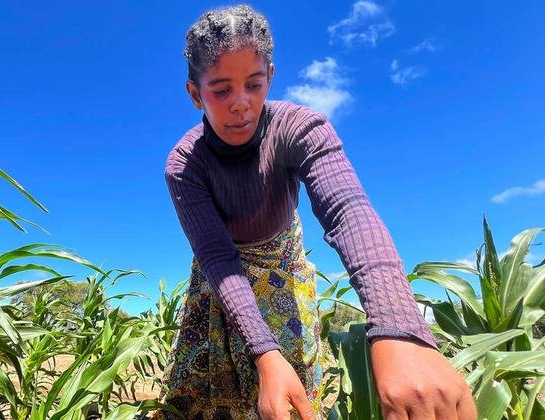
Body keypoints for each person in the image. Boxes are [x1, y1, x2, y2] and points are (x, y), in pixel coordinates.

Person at [154, 4, 476, 420]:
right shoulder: (185, 164)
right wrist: (265, 353)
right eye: (221, 90)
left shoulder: (300, 128)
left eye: (254, 84)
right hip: (222, 283)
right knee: (206, 395)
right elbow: (218, 258)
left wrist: (401, 328)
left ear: (270, 75)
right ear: (195, 93)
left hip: (283, 270)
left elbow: (347, 212)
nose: (241, 104)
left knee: (294, 399)